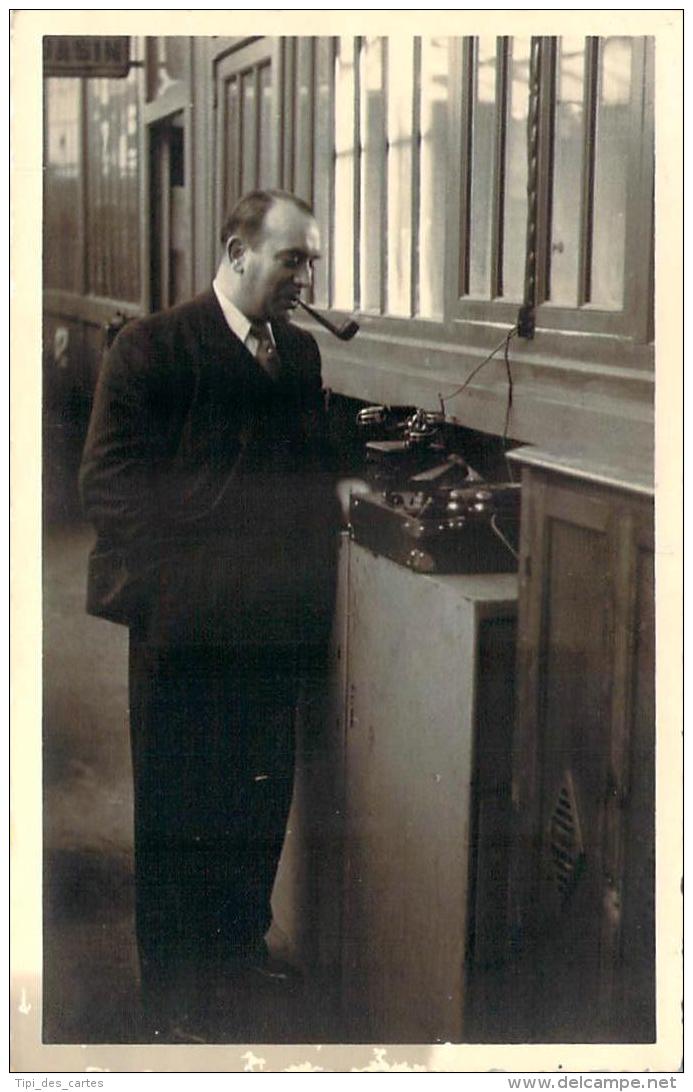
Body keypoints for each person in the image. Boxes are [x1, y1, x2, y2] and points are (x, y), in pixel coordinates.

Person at [79, 190, 340, 1040]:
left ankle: (236, 955)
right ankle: (173, 1000)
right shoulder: (149, 348)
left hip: (273, 630)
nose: (304, 276)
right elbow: (108, 485)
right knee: (178, 812)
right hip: (187, 632)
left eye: (310, 260)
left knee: (255, 806)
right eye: (290, 258)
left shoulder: (297, 355)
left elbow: (306, 476)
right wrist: (180, 596)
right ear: (236, 253)